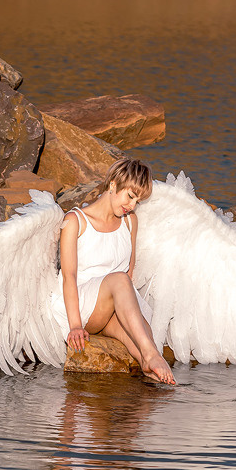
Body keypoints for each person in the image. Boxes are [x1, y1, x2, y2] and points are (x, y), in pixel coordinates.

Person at [51, 158, 176, 385]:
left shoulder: (130, 222)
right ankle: (152, 354)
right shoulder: (75, 221)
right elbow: (68, 277)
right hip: (84, 306)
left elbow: (129, 272)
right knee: (119, 282)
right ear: (112, 186)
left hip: (114, 304)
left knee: (140, 340)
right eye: (130, 196)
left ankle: (158, 378)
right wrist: (75, 326)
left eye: (138, 200)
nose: (132, 205)